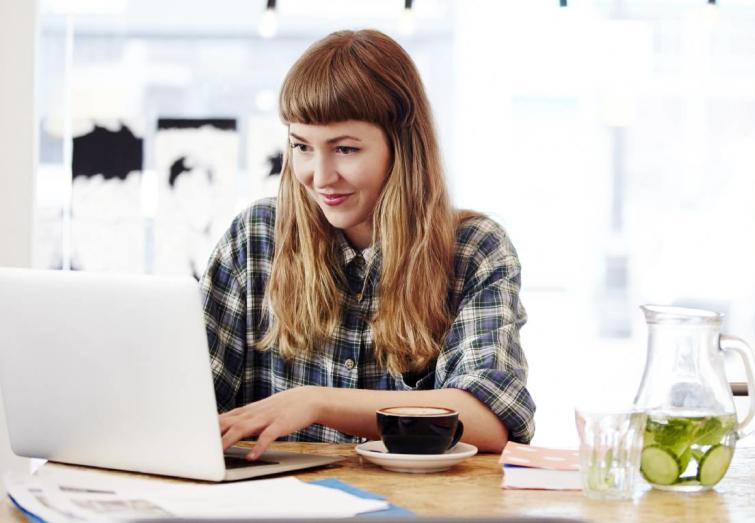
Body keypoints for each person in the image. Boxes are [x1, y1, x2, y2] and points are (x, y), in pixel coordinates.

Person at [201, 29, 535, 461]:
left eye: (344, 149)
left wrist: (316, 402)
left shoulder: (474, 250)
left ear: (402, 147)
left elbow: (489, 418)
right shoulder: (255, 237)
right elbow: (187, 401)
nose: (319, 177)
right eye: (301, 147)